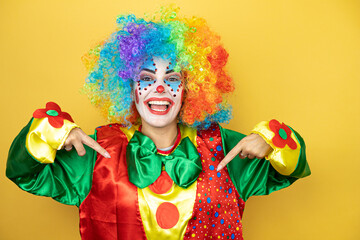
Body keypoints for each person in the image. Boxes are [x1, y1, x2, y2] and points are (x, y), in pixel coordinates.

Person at [6, 6, 310, 240]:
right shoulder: (98, 151)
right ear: (129, 88)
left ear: (191, 89)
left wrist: (271, 141)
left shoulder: (225, 148)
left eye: (173, 79)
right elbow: (21, 172)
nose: (160, 89)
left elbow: (292, 169)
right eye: (147, 79)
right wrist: (49, 132)